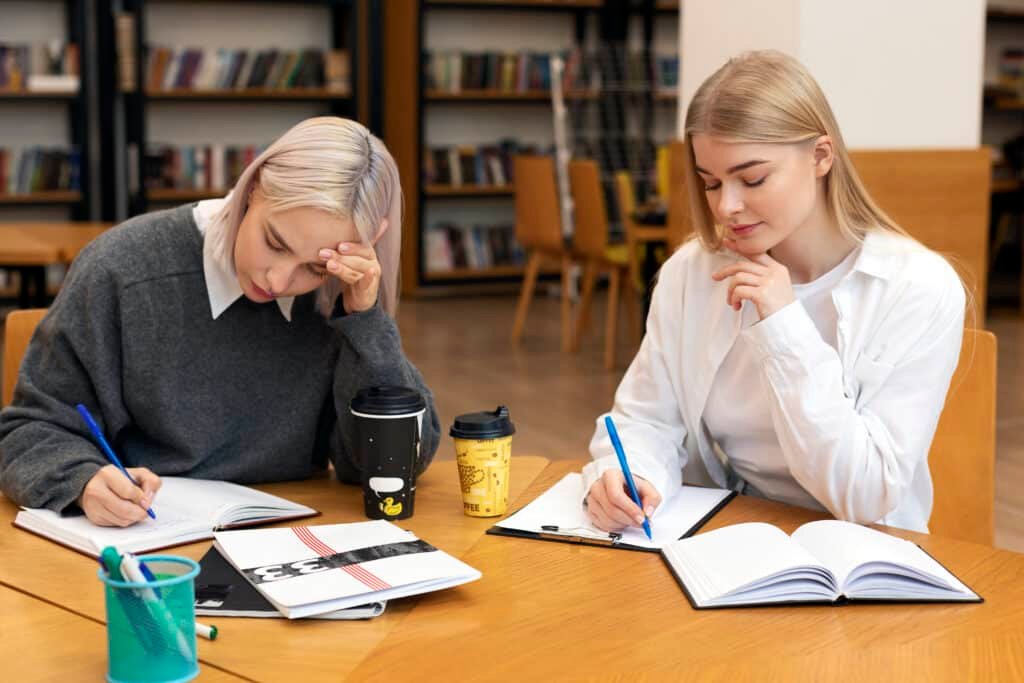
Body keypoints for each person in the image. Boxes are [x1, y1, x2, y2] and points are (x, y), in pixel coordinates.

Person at [584, 50, 966, 535]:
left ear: (821, 156)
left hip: (864, 556)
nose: (727, 206)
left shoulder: (918, 288)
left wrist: (784, 326)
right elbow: (646, 418)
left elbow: (866, 495)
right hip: (733, 536)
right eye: (710, 183)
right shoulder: (692, 273)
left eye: (753, 178)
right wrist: (629, 474)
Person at [0, 116, 441, 527]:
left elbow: (388, 467)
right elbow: (28, 430)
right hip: (146, 541)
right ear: (252, 189)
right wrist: (82, 480)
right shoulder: (123, 268)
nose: (279, 279)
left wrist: (365, 318)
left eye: (314, 268)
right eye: (274, 241)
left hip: (294, 534)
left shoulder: (337, 294)